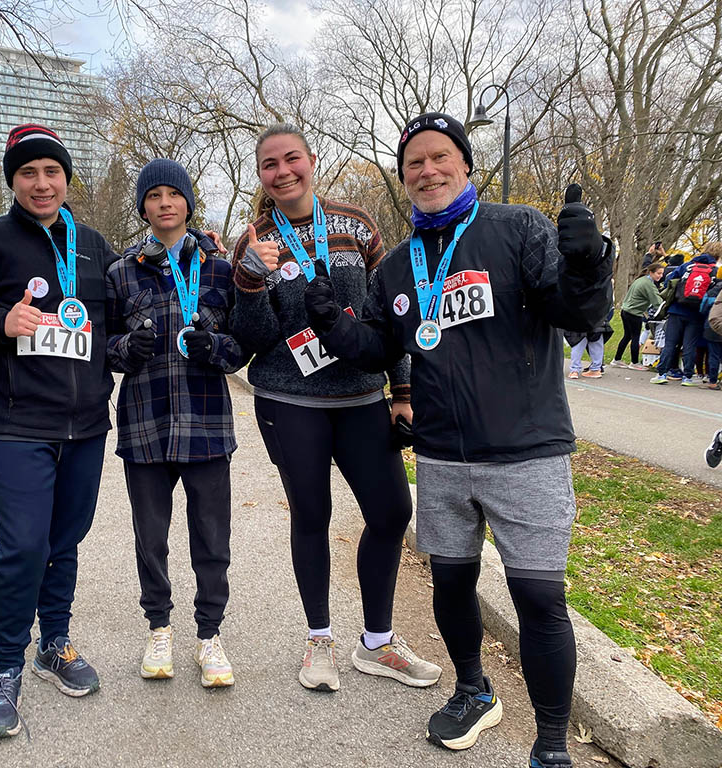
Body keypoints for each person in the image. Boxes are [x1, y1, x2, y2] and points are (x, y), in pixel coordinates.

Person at [302, 113, 611, 768]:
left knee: (538, 599)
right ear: (404, 178)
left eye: (440, 157)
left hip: (526, 453)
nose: (428, 170)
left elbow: (578, 314)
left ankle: (552, 744)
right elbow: (376, 349)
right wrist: (330, 319)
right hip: (440, 456)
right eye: (414, 163)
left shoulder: (516, 227)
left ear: (465, 165)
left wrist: (587, 264)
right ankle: (474, 689)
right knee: (450, 585)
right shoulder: (397, 272)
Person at [230, 123, 441, 694]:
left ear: (311, 159)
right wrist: (250, 280)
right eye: (270, 164)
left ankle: (377, 643)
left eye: (291, 159)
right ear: (261, 174)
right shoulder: (252, 239)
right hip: (288, 398)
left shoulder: (356, 224)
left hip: (359, 396)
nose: (283, 171)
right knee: (312, 517)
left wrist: (401, 392)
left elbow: (391, 318)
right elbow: (250, 337)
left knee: (393, 511)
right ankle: (318, 638)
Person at [0, 124, 118, 739]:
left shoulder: (94, 245)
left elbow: (128, 308)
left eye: (51, 171)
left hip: (84, 424)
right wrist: (0, 320)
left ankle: (53, 642)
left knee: (65, 538)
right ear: (13, 182)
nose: (41, 182)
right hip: (16, 422)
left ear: (66, 178)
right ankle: (6, 666)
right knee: (24, 545)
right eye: (27, 173)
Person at [105, 158, 248, 687]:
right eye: (154, 195)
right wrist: (124, 347)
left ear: (189, 202)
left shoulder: (219, 269)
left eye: (174, 193)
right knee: (152, 537)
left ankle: (209, 635)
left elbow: (240, 348)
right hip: (144, 426)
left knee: (212, 538)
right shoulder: (121, 272)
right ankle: (158, 627)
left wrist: (217, 348)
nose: (164, 203)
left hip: (207, 426)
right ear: (142, 205)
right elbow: (102, 350)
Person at [650, 246, 720, 385]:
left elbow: (668, 281)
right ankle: (687, 377)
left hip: (676, 310)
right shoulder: (715, 271)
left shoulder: (686, 266)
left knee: (670, 343)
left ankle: (662, 373)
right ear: (717, 257)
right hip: (696, 314)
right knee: (690, 345)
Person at [610, 262, 665, 370]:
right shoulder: (648, 284)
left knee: (627, 336)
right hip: (634, 313)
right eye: (658, 273)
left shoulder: (640, 280)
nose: (660, 276)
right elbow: (657, 302)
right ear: (651, 272)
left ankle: (616, 359)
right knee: (635, 337)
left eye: (662, 274)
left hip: (625, 310)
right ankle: (634, 362)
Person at [565, 306, 612, 379]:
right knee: (596, 342)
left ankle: (574, 370)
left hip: (580, 316)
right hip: (597, 316)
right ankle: (596, 369)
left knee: (578, 343)